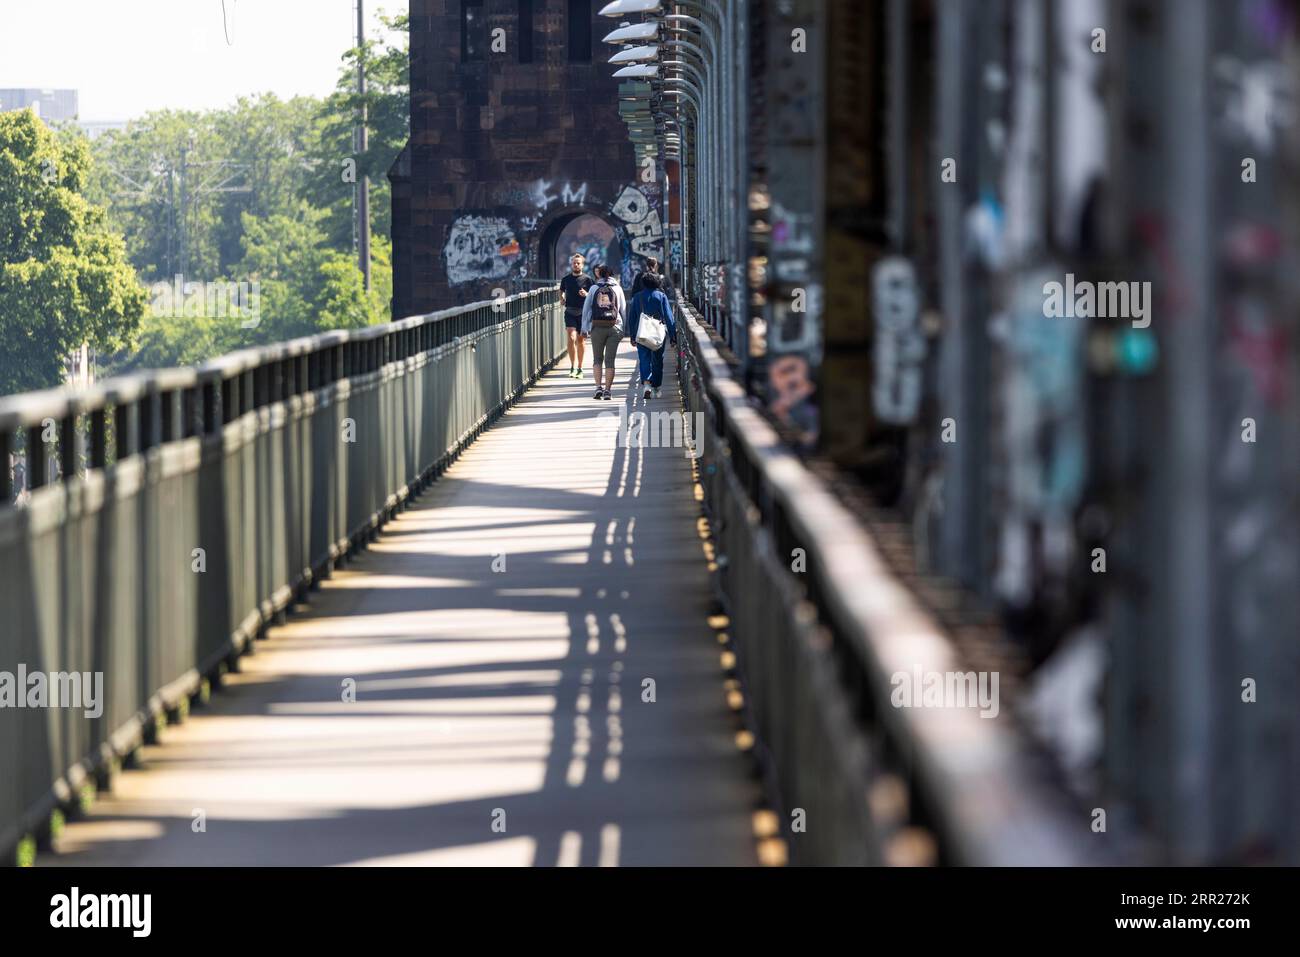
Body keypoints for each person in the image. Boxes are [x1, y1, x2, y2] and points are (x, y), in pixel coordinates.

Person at [626, 271, 677, 400]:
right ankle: (656, 388)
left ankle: (647, 384)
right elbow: (669, 317)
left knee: (644, 359)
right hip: (658, 333)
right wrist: (673, 335)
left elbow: (632, 318)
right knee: (658, 361)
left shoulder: (637, 297)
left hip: (642, 332)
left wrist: (632, 335)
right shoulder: (661, 296)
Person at [580, 264, 627, 401]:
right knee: (610, 361)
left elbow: (586, 309)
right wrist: (624, 328)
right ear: (612, 275)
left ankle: (598, 388)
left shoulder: (594, 288)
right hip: (614, 327)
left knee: (597, 359)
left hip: (597, 327)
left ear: (599, 275)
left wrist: (585, 328)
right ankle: (608, 391)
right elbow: (623, 309)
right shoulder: (617, 288)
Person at [558, 253, 593, 378]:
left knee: (580, 340)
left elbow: (594, 295)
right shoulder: (566, 279)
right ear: (571, 264)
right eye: (574, 263)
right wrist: (561, 298)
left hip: (583, 312)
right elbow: (561, 290)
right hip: (570, 311)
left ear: (582, 265)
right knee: (572, 337)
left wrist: (586, 293)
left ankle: (580, 368)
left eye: (578, 263)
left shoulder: (588, 279)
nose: (576, 265)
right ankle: (572, 366)